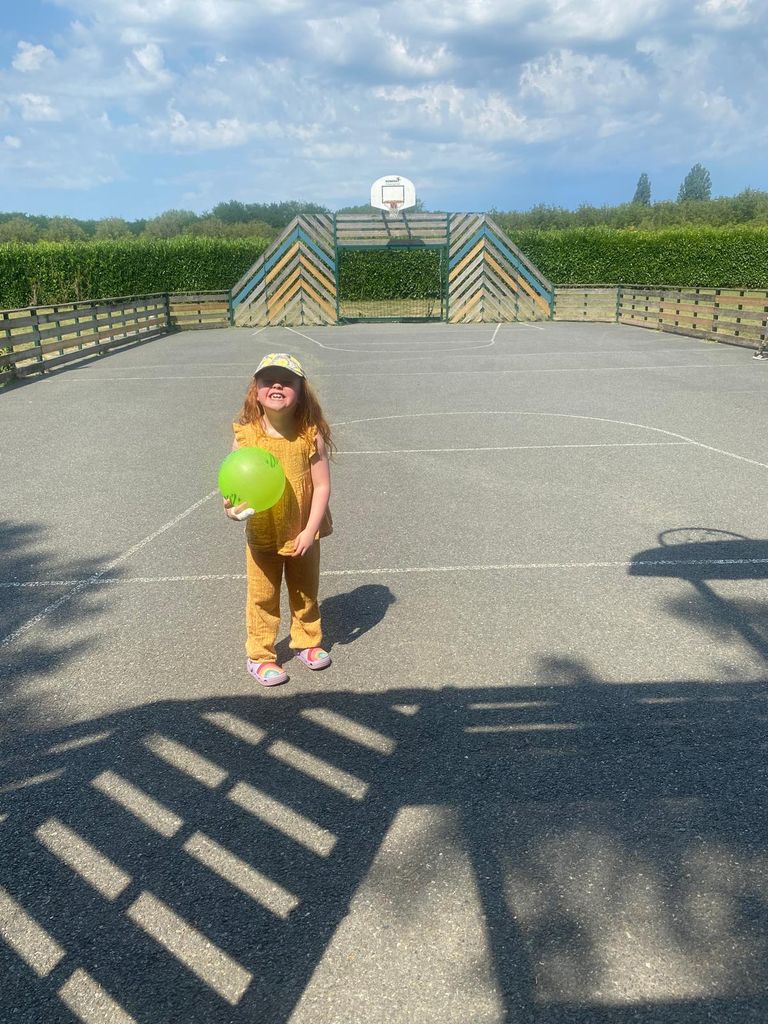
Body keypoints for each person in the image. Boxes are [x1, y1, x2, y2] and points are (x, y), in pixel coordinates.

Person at [224, 353, 333, 686]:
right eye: (268, 380)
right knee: (262, 595)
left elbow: (322, 485)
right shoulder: (246, 437)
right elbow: (233, 484)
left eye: (286, 381)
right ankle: (260, 655)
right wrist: (231, 509)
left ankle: (307, 641)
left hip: (302, 529)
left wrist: (310, 530)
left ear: (300, 390)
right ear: (255, 391)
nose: (276, 386)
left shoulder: (308, 435)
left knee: (305, 591)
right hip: (263, 531)